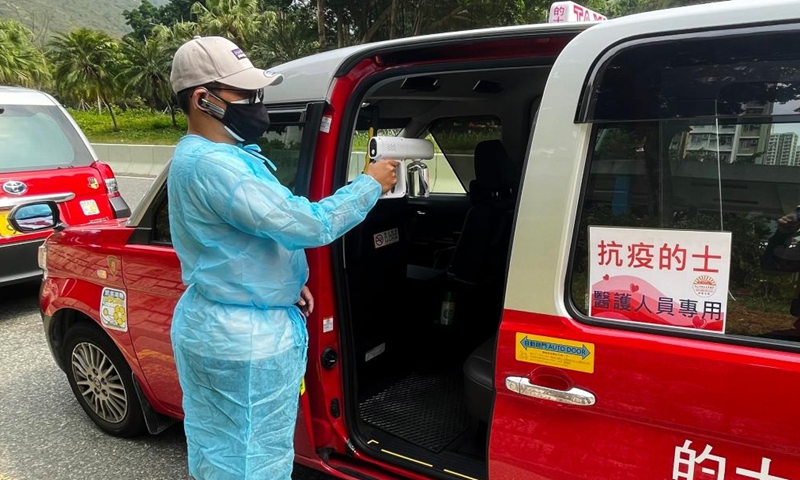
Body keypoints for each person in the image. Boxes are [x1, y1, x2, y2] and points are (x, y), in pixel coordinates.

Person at [167, 36, 398, 480]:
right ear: (203, 99)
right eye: (247, 94)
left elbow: (243, 239)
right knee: (252, 459)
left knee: (221, 447)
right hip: (244, 340)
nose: (258, 103)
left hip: (221, 322)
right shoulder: (217, 166)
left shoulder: (205, 157)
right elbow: (306, 224)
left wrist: (287, 282)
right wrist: (370, 184)